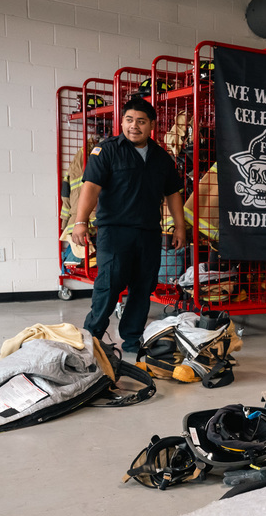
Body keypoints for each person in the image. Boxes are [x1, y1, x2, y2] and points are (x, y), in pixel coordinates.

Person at [71, 97, 186, 353]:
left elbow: (173, 194)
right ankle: (93, 338)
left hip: (148, 233)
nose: (134, 126)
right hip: (114, 232)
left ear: (152, 125)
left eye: (141, 121)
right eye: (129, 120)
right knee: (108, 285)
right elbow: (91, 187)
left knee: (143, 287)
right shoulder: (107, 150)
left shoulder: (160, 157)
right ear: (121, 122)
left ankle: (133, 339)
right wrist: (80, 222)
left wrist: (179, 227)